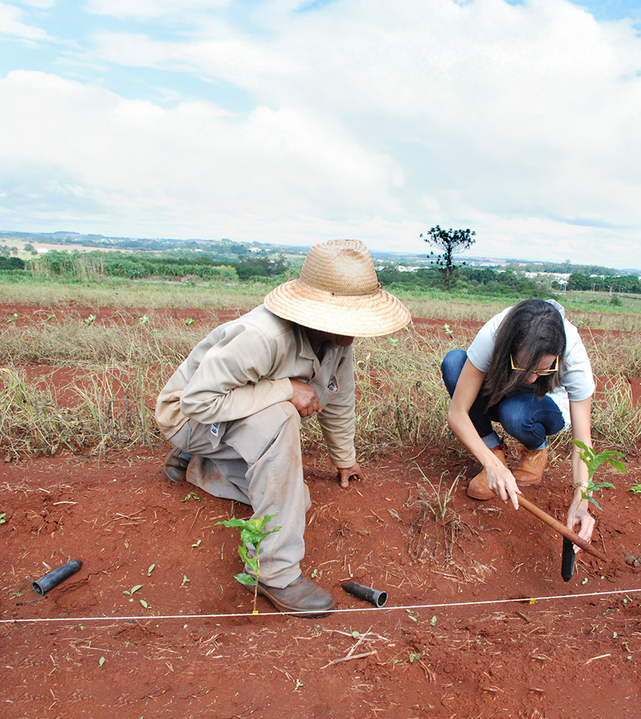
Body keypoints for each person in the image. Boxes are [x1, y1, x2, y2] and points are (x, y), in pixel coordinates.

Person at [155, 239, 410, 616]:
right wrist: (285, 390)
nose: (355, 329)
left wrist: (344, 458)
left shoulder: (336, 340)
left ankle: (199, 465)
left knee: (297, 500)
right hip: (191, 420)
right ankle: (272, 571)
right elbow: (198, 402)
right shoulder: (263, 336)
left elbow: (339, 396)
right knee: (282, 417)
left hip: (228, 424)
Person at [441, 298, 596, 545]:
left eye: (544, 369)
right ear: (508, 347)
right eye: (524, 367)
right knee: (454, 363)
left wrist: (582, 500)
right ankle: (494, 451)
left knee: (515, 413)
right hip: (503, 389)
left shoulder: (573, 352)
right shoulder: (494, 333)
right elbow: (457, 413)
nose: (532, 378)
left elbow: (582, 441)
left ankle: (537, 449)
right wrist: (492, 465)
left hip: (545, 405)